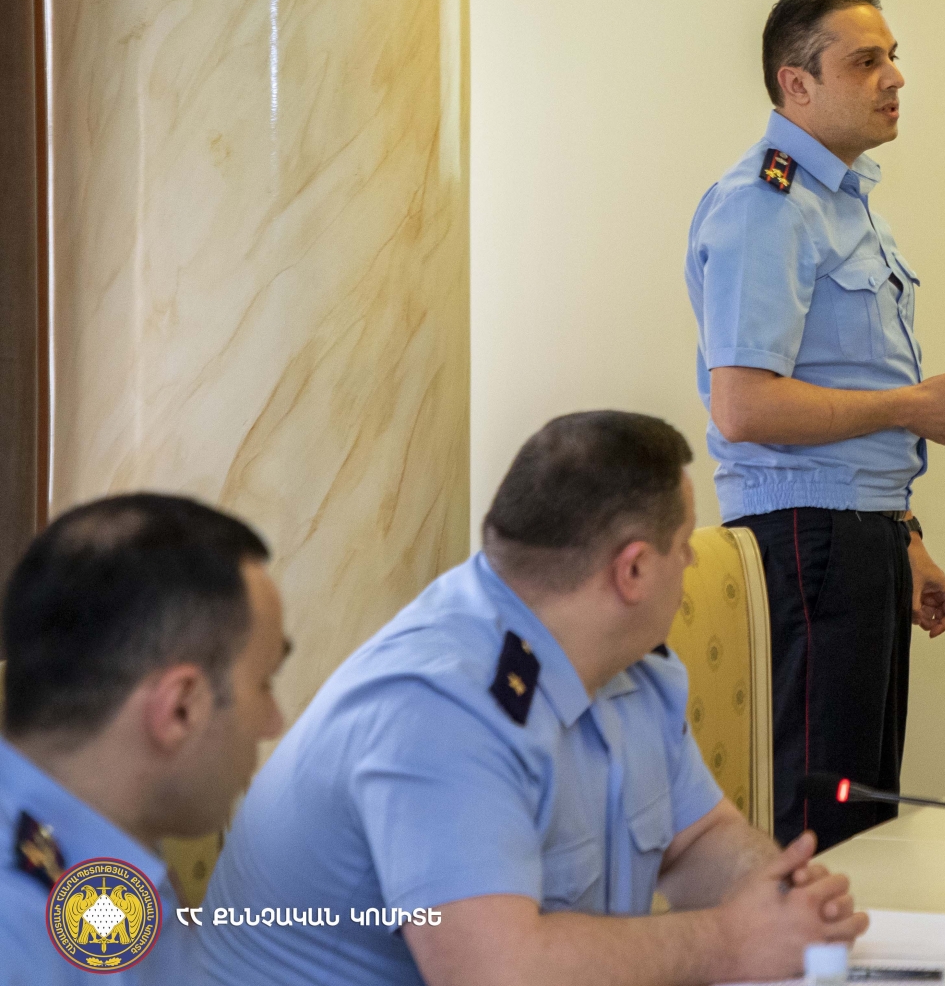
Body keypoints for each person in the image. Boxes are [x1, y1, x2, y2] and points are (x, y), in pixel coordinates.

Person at [203, 410, 866, 986]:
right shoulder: (439, 707)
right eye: (684, 544)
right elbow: (497, 972)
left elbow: (696, 840)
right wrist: (729, 939)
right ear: (634, 569)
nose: (691, 565)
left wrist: (776, 890)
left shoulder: (632, 668)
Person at [685, 0, 945, 849]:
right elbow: (745, 404)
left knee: (865, 812)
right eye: (865, 61)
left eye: (893, 57)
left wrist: (904, 536)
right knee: (824, 821)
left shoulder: (843, 203)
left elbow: (836, 389)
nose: (894, 77)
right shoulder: (766, 204)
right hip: (806, 541)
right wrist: (914, 406)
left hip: (856, 535)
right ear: (797, 84)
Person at [1, 494, 288, 985]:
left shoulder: (110, 862)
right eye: (263, 684)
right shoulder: (22, 940)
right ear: (180, 708)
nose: (274, 723)